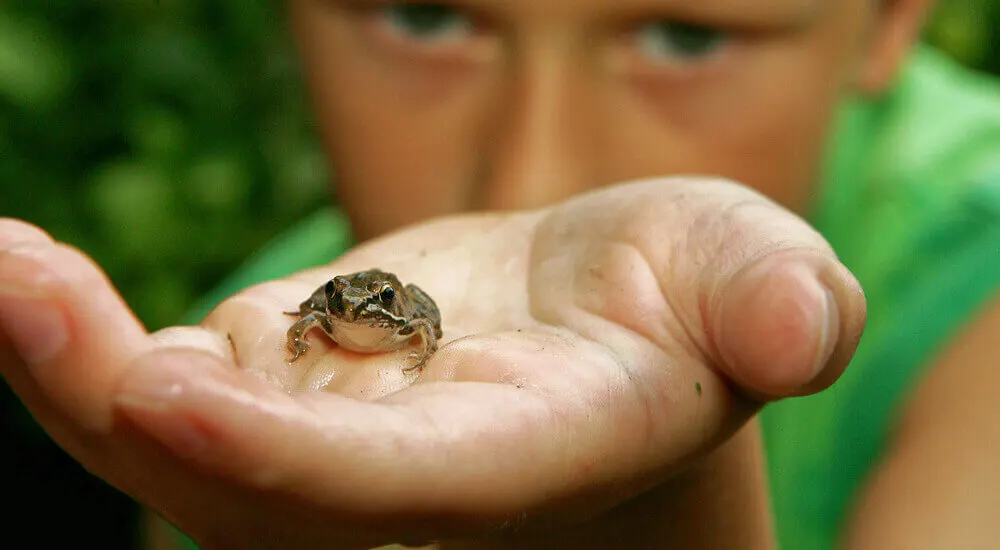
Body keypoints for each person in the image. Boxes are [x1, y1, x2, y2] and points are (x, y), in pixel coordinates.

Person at [1, 0, 999, 548]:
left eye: (686, 34)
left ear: (886, 21)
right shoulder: (246, 349)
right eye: (427, 17)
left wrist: (647, 502)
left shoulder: (974, 270)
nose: (532, 174)